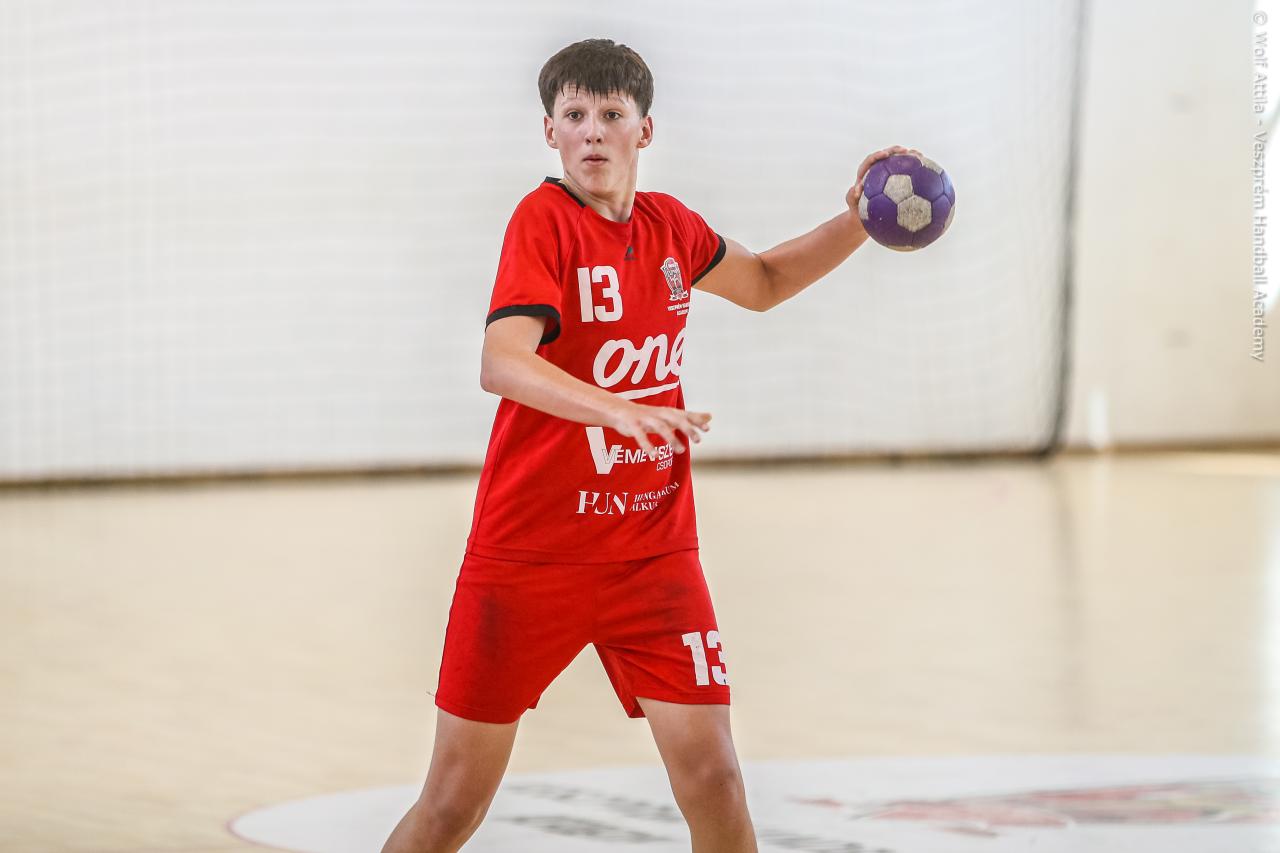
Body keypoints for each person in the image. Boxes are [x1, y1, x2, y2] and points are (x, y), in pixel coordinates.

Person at [382, 36, 915, 853]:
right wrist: (614, 409)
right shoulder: (543, 222)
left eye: (611, 113)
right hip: (528, 557)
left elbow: (766, 282)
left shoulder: (672, 228)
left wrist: (860, 220)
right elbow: (502, 361)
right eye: (574, 115)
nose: (592, 130)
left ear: (645, 129)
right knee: (452, 804)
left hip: (652, 555)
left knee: (716, 778)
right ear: (550, 132)